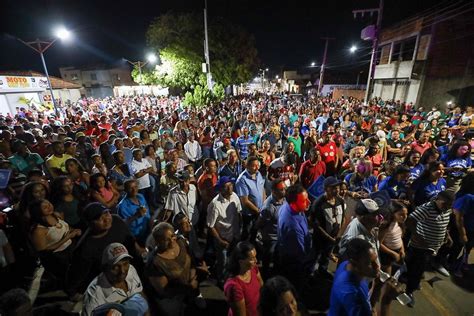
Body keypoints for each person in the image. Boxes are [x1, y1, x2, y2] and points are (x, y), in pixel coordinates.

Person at [66, 203, 138, 299]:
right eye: (98, 218)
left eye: (107, 213)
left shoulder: (117, 221)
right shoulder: (86, 247)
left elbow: (130, 241)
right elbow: (79, 273)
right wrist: (73, 292)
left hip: (130, 268)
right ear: (89, 224)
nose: (106, 219)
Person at [405, 191, 454, 305]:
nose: (447, 207)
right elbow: (409, 221)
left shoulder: (446, 209)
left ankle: (413, 281)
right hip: (420, 247)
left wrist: (447, 235)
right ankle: (409, 292)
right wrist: (417, 235)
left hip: (432, 246)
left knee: (420, 267)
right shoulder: (426, 209)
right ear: (437, 199)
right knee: (416, 269)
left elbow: (444, 222)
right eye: (444, 204)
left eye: (450, 205)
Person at [145, 222, 204, 316]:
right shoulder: (155, 262)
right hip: (172, 300)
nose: (172, 241)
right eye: (166, 240)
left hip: (188, 289)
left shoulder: (181, 242)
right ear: (157, 242)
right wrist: (189, 287)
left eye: (172, 236)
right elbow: (164, 291)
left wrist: (193, 277)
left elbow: (191, 260)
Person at [329, 238, 398, 316]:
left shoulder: (346, 265)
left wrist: (374, 283)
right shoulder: (352, 295)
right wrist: (386, 301)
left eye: (376, 260)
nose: (377, 266)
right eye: (370, 263)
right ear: (355, 263)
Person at [82, 243, 148, 316]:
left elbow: (140, 294)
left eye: (125, 264)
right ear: (105, 268)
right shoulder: (94, 296)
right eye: (116, 267)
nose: (122, 271)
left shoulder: (131, 270)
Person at [29, 199, 81, 280]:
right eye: (45, 207)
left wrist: (74, 230)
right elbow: (43, 251)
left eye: (49, 204)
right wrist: (67, 238)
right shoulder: (38, 230)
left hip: (72, 248)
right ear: (38, 211)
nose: (49, 207)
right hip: (59, 257)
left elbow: (66, 228)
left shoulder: (56, 215)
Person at [277, 184, 312, 291]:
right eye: (304, 200)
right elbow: (300, 254)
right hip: (294, 262)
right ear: (293, 203)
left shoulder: (287, 206)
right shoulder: (293, 227)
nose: (309, 202)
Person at [207, 176, 242, 282]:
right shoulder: (215, 204)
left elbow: (239, 213)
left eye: (230, 185)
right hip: (223, 238)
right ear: (221, 189)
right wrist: (220, 241)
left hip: (234, 236)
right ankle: (221, 280)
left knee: (232, 260)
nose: (230, 188)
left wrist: (240, 231)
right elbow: (210, 225)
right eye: (226, 187)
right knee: (223, 261)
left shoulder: (235, 196)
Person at [309, 176, 346, 278]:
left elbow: (343, 217)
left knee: (326, 255)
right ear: (326, 189)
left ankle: (323, 271)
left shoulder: (340, 201)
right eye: (333, 188)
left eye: (337, 187)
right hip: (320, 238)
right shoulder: (318, 203)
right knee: (316, 256)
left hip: (333, 238)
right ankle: (311, 275)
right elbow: (314, 224)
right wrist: (329, 238)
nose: (337, 190)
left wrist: (338, 235)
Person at [254, 179, 286, 277]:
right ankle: (265, 276)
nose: (284, 191)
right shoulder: (268, 208)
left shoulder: (284, 199)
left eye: (285, 188)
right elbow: (259, 223)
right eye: (282, 189)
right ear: (274, 191)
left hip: (280, 236)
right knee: (268, 258)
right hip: (270, 238)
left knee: (278, 259)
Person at [224, 241, 263, 316]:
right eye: (252, 258)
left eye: (256, 256)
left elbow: (261, 287)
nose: (256, 261)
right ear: (241, 262)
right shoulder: (234, 286)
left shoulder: (253, 268)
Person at [235, 156, 266, 241]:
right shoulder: (242, 180)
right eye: (254, 166)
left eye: (257, 165)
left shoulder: (258, 174)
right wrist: (257, 211)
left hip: (259, 211)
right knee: (246, 233)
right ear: (247, 166)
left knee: (254, 232)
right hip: (249, 214)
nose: (257, 168)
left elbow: (262, 189)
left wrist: (264, 205)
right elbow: (245, 201)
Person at [117, 179, 151, 244]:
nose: (134, 190)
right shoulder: (122, 206)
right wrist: (136, 216)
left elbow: (147, 214)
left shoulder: (141, 197)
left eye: (135, 187)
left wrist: (150, 227)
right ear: (125, 190)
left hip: (146, 230)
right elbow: (123, 224)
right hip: (135, 236)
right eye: (130, 188)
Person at [379, 201, 408, 275]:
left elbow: (399, 238)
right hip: (386, 254)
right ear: (392, 213)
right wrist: (392, 253)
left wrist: (402, 250)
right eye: (401, 214)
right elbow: (378, 243)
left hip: (396, 252)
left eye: (406, 214)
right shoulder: (386, 226)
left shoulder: (399, 223)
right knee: (385, 273)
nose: (405, 217)